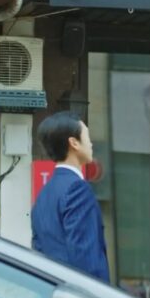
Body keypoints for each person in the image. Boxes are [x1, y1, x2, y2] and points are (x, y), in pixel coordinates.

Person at [31, 111, 109, 282]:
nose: (91, 143)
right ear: (74, 143)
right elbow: (86, 258)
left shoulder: (44, 194)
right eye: (87, 137)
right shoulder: (77, 189)